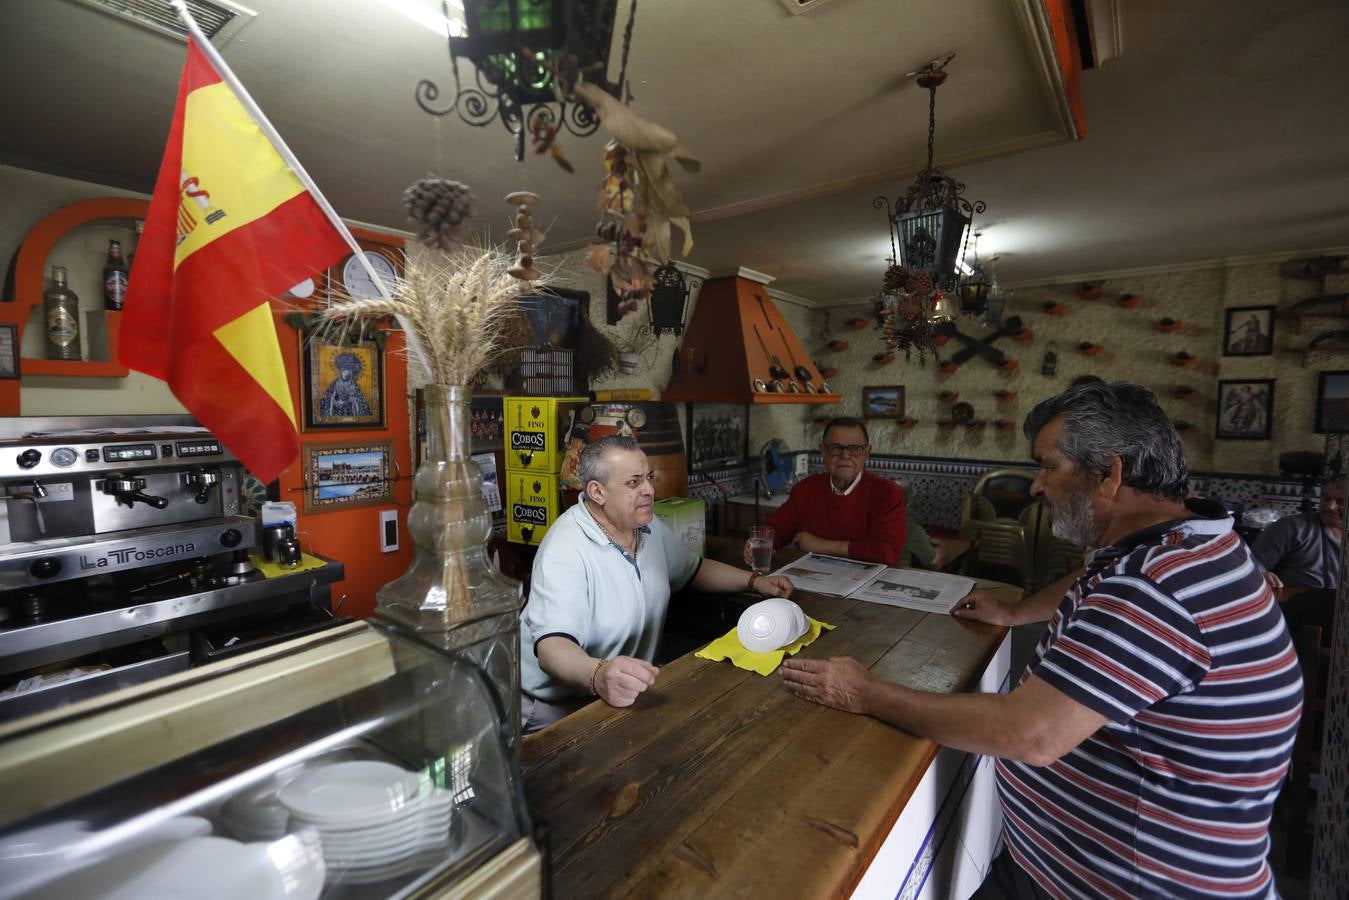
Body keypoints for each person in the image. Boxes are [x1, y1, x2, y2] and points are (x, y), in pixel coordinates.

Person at [781, 382, 1302, 899]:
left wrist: (864, 692)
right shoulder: (1185, 543)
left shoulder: (1156, 587)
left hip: (1130, 885)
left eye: (1048, 467)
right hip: (1068, 865)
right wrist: (1014, 610)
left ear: (1110, 474)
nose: (1036, 486)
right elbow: (1093, 578)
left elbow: (1030, 735)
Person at [520, 435, 794, 733]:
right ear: (597, 492)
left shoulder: (646, 528)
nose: (649, 490)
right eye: (634, 482)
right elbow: (552, 647)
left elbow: (694, 569)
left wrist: (754, 581)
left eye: (648, 478)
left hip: (617, 695)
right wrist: (599, 674)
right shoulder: (565, 549)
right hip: (555, 707)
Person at [746, 417, 907, 567]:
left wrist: (820, 545)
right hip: (813, 580)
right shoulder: (806, 489)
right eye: (836, 448)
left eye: (855, 449)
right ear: (823, 451)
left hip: (866, 588)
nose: (845, 455)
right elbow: (777, 528)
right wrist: (757, 542)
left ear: (866, 453)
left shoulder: (887, 493)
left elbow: (887, 553)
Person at [1253, 476, 1344, 593]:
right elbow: (1252, 564)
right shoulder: (1292, 527)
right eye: (1326, 499)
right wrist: (1261, 575)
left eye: (1341, 502)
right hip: (1297, 605)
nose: (1330, 507)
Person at [320, 351, 373, 418]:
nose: (345, 374)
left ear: (350, 374)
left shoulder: (353, 384)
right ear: (341, 372)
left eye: (347, 372)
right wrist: (335, 402)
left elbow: (357, 399)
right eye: (344, 372)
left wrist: (346, 401)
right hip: (337, 409)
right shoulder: (335, 383)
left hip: (350, 409)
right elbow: (329, 398)